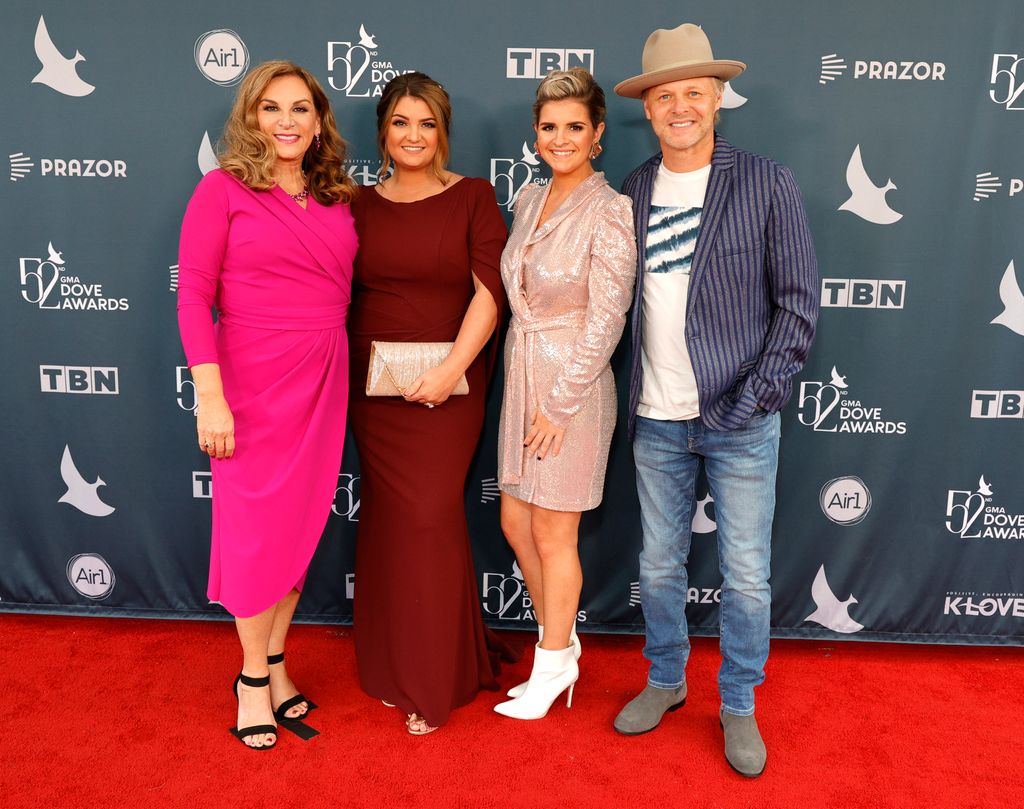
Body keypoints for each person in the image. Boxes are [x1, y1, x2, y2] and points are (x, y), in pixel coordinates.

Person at [611, 24, 819, 777]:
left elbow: (798, 304)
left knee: (748, 572)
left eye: (694, 92)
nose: (680, 107)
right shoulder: (633, 189)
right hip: (655, 421)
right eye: (665, 95)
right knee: (660, 565)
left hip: (740, 420)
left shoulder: (767, 182)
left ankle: (738, 701)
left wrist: (756, 398)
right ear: (649, 107)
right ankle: (666, 679)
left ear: (718, 98)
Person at [177, 61, 358, 750]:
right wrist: (211, 396)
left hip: (323, 376)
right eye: (272, 108)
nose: (286, 121)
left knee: (300, 527)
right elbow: (193, 294)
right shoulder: (221, 190)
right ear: (252, 117)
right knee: (256, 533)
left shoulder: (337, 195)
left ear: (318, 120)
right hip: (250, 382)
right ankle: (252, 678)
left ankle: (277, 662)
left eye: (300, 109)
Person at [348, 72, 512, 735]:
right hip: (374, 390)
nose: (413, 135)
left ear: (442, 132)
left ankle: (430, 678)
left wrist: (450, 369)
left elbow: (490, 293)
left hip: (452, 386)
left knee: (429, 516)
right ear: (383, 131)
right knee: (391, 518)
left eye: (426, 123)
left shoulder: (474, 196)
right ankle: (394, 661)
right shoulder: (354, 203)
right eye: (400, 123)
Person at [493, 69, 636, 720]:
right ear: (536, 134)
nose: (560, 137)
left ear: (598, 135)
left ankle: (552, 664)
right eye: (549, 127)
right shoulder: (527, 198)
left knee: (555, 530)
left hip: (571, 389)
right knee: (514, 520)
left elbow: (608, 317)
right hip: (522, 374)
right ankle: (563, 644)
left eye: (574, 126)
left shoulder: (611, 210)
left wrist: (560, 402)